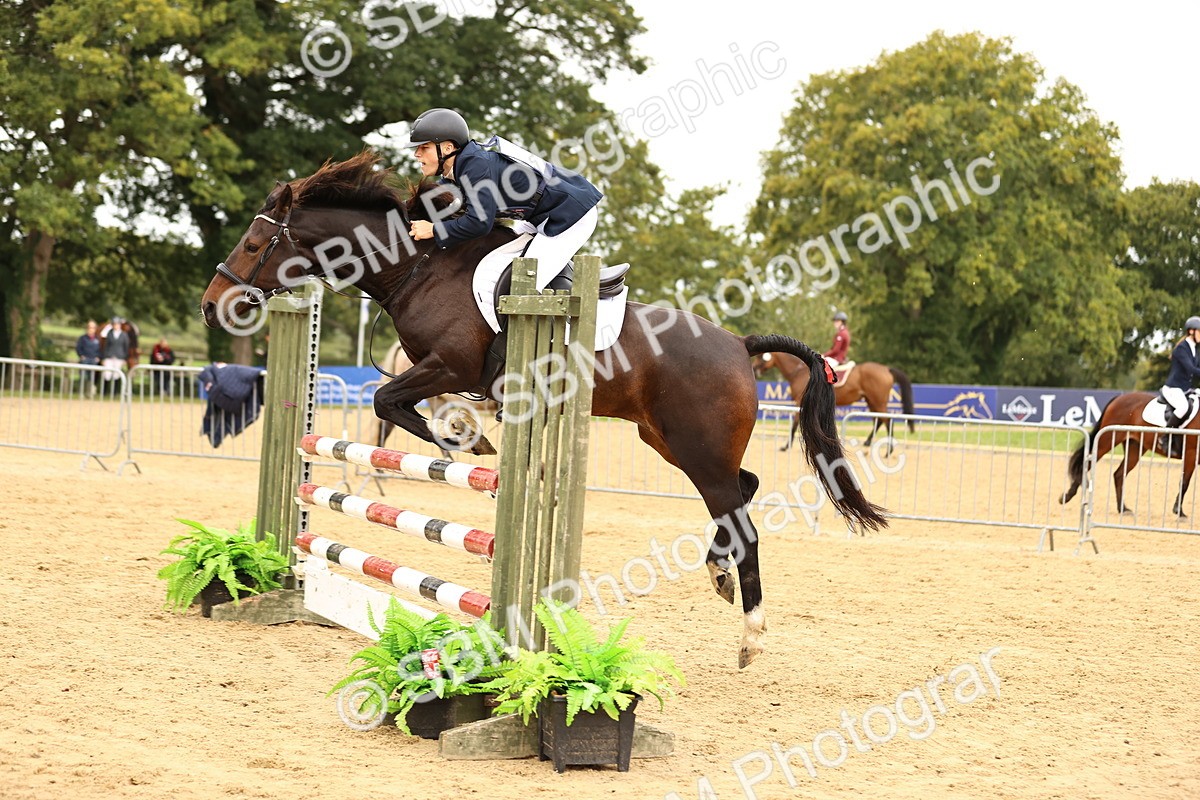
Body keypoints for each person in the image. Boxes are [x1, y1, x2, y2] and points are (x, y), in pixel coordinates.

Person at [404, 108, 603, 386]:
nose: (417, 155)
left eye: (423, 148)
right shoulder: (458, 168)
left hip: (569, 215)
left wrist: (434, 229)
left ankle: (531, 376)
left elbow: (479, 224)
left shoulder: (474, 166)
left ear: (447, 147)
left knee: (519, 287)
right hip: (537, 217)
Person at [1160, 315, 1200, 456]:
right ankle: (1164, 437)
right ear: (1191, 331)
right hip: (1173, 388)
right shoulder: (1182, 349)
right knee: (1183, 407)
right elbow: (1191, 370)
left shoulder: (1194, 349)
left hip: (1185, 388)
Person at [98, 316, 131, 396]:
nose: (116, 326)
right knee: (107, 374)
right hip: (109, 356)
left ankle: (115, 392)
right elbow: (106, 346)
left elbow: (126, 347)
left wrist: (125, 358)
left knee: (117, 375)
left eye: (117, 324)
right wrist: (104, 358)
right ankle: (105, 392)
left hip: (119, 357)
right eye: (114, 324)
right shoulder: (109, 334)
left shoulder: (124, 335)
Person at [824, 311, 853, 382]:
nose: (835, 323)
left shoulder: (841, 334)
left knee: (819, 366)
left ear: (842, 322)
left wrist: (824, 355)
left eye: (837, 321)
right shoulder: (845, 332)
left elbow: (835, 350)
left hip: (837, 359)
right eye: (835, 321)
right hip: (840, 358)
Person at [75, 319, 101, 397]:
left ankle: (90, 393)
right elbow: (78, 348)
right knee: (83, 377)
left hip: (94, 361)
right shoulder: (82, 338)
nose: (91, 329)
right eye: (90, 327)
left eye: (93, 327)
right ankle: (81, 393)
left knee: (92, 378)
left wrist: (98, 357)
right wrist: (81, 355)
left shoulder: (97, 339)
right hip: (85, 360)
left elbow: (100, 349)